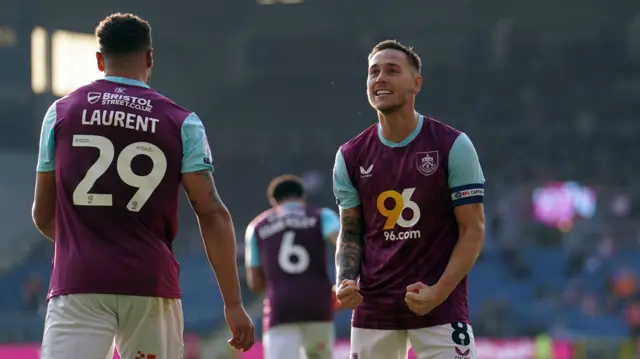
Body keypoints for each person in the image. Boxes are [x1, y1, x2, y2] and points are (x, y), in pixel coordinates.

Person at [31, 12, 254, 359]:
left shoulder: (60, 113)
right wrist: (234, 304)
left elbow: (43, 215)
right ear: (150, 58)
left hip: (78, 283)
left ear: (99, 60)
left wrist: (88, 242)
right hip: (150, 284)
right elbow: (211, 211)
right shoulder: (182, 122)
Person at [332, 39, 485, 359]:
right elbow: (351, 231)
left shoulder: (453, 145)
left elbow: (473, 229)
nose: (380, 78)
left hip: (440, 308)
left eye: (391, 71)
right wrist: (345, 280)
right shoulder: (350, 155)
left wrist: (439, 292)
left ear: (416, 84)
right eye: (373, 72)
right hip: (373, 311)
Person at [244, 174, 340, 359]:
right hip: (318, 305)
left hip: (280, 308)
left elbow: (255, 284)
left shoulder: (256, 227)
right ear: (303, 197)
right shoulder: (322, 216)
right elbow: (342, 245)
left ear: (273, 201)